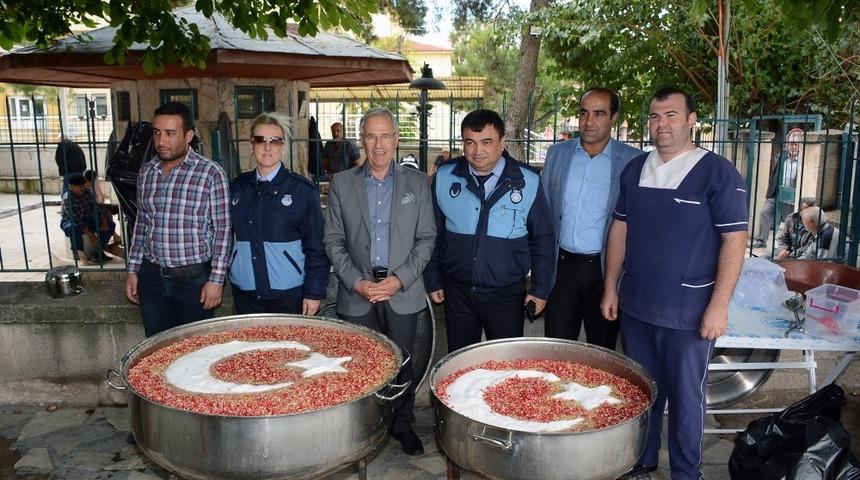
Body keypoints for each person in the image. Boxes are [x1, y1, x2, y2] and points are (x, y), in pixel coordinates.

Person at [601, 87, 748, 480]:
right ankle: (643, 462)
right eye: (654, 116)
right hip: (636, 308)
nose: (660, 124)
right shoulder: (635, 169)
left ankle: (687, 473)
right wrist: (611, 285)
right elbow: (620, 229)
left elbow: (735, 241)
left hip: (689, 314)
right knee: (642, 394)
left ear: (691, 120)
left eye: (670, 115)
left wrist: (719, 305)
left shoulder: (717, 172)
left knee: (686, 401)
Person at [324, 108, 436, 456]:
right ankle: (364, 428)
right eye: (371, 136)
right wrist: (357, 282)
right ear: (362, 140)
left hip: (401, 291)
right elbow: (333, 241)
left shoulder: (417, 184)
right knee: (360, 365)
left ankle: (402, 425)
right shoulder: (342, 183)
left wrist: (399, 280)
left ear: (396, 138)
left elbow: (427, 239)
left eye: (385, 135)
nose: (379, 144)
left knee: (403, 362)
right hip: (357, 292)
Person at [424, 109, 554, 353]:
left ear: (503, 142)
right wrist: (432, 279)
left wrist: (540, 289)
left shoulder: (528, 181)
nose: (477, 151)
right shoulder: (444, 177)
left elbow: (543, 240)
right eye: (470, 143)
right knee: (459, 366)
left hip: (506, 295)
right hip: (458, 292)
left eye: (486, 142)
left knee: (503, 368)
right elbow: (432, 233)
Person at [542, 88, 643, 349]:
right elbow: (544, 210)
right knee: (557, 352)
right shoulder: (557, 155)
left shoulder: (633, 161)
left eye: (599, 114)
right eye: (584, 113)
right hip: (561, 269)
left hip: (606, 273)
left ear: (614, 118)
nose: (589, 122)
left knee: (602, 355)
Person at [125, 102, 232, 337]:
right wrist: (133, 270)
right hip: (151, 278)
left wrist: (216, 280)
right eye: (157, 132)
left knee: (194, 352)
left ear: (188, 136)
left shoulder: (211, 174)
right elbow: (142, 222)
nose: (161, 141)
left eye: (170, 133)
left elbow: (223, 230)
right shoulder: (147, 172)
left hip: (193, 280)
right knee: (155, 349)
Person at [229, 113, 329, 315]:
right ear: (251, 145)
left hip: (289, 295)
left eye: (274, 141)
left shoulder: (302, 191)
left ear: (283, 146)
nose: (267, 147)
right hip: (245, 294)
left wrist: (314, 292)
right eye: (260, 140)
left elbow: (316, 247)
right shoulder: (237, 188)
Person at [752, 128, 804, 248]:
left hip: (792, 196)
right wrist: (770, 191)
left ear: (800, 146)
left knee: (789, 220)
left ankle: (788, 246)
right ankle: (761, 241)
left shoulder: (803, 160)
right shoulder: (783, 156)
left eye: (796, 144)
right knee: (765, 212)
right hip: (777, 193)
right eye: (791, 144)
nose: (793, 147)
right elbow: (775, 173)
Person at [60, 172, 117, 264]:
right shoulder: (67, 198)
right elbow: (76, 219)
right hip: (71, 220)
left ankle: (97, 251)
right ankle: (80, 254)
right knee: (74, 228)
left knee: (110, 225)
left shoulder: (87, 192)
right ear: (71, 186)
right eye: (79, 187)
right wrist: (91, 235)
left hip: (87, 218)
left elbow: (96, 207)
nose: (83, 188)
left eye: (83, 185)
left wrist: (103, 221)